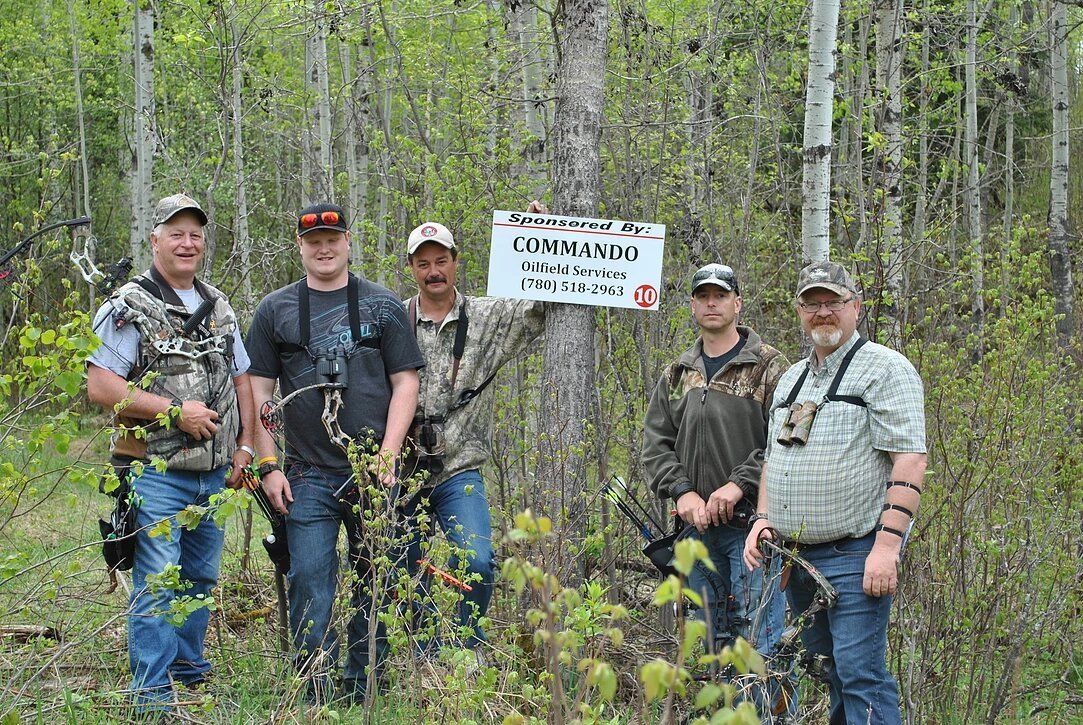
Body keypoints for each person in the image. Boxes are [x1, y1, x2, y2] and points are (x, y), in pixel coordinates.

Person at [245, 202, 423, 703]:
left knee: (378, 575)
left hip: (373, 472)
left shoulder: (383, 306)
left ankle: (365, 682)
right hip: (305, 472)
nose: (324, 249)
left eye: (333, 239)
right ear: (299, 247)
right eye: (313, 241)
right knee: (309, 577)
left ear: (347, 242)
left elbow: (405, 383)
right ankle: (313, 687)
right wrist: (269, 464)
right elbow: (258, 391)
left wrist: (389, 454)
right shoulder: (274, 309)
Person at [85, 193, 256, 711]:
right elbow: (101, 386)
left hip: (217, 473)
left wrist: (246, 445)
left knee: (201, 577)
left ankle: (188, 669)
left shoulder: (220, 305)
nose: (187, 242)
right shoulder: (127, 305)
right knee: (157, 582)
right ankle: (153, 695)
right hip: (156, 471)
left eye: (195, 234)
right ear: (154, 238)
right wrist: (173, 411)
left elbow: (243, 378)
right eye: (175, 233)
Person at [743, 260, 927, 724]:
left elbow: (910, 460)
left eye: (833, 302)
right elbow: (773, 458)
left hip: (856, 553)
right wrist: (763, 518)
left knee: (860, 673)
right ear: (800, 311)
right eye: (812, 303)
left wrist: (886, 548)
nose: (823, 312)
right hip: (794, 558)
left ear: (855, 308)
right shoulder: (791, 379)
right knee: (831, 672)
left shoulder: (885, 370)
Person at [401, 210, 546, 658]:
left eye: (440, 260)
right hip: (400, 471)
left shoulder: (486, 315)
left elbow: (542, 305)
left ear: (456, 261)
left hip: (458, 466)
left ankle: (467, 648)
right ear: (412, 269)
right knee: (405, 566)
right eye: (423, 263)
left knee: (478, 562)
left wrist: (539, 235)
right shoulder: (392, 318)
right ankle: (423, 653)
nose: (433, 271)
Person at [642, 263, 790, 662]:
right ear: (692, 305)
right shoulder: (677, 373)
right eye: (704, 296)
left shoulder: (771, 367)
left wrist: (740, 483)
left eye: (721, 295)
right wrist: (682, 492)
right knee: (712, 643)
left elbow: (788, 442)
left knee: (761, 642)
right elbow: (655, 445)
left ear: (737, 304)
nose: (712, 303)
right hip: (695, 532)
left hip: (753, 530)